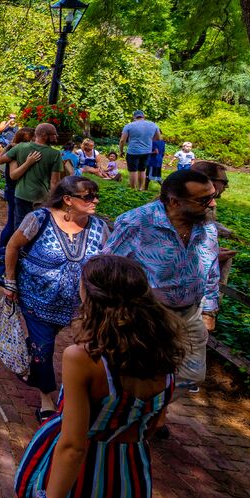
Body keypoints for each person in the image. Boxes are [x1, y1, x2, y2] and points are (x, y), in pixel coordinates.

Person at [13, 255, 184, 498]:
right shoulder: (163, 354)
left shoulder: (84, 358)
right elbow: (156, 423)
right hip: (128, 467)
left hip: (69, 461)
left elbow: (73, 445)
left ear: (92, 296)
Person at [102, 169, 219, 403]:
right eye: (204, 200)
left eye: (213, 196)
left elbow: (211, 268)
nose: (213, 204)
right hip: (148, 314)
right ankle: (134, 411)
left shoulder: (206, 226)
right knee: (139, 375)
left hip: (190, 313)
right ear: (174, 202)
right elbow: (106, 266)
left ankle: (151, 408)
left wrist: (209, 309)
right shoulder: (137, 222)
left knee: (192, 374)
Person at [4, 176, 109, 422]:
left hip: (80, 305)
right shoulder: (39, 219)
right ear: (68, 200)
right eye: (88, 197)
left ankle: (83, 394)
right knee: (43, 347)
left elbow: (107, 261)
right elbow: (13, 246)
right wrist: (10, 281)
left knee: (89, 347)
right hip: (36, 298)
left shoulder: (99, 228)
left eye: (96, 196)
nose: (95, 201)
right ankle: (46, 399)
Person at [0, 123, 64, 223]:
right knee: (37, 226)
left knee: (19, 226)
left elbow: (0, 160)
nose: (57, 136)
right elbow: (54, 182)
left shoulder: (20, 147)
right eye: (54, 134)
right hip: (40, 198)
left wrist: (11, 148)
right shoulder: (55, 154)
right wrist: (55, 201)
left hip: (21, 195)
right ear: (44, 135)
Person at [0, 127, 35, 248]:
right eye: (33, 139)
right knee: (13, 224)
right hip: (14, 190)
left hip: (12, 189)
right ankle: (3, 249)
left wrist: (8, 147)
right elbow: (12, 173)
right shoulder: (17, 151)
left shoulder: (14, 149)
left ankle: (5, 248)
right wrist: (28, 162)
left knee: (13, 222)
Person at [119, 110, 162, 190]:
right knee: (142, 170)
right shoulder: (153, 125)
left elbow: (122, 140)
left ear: (134, 117)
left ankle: (133, 189)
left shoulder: (129, 126)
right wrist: (152, 145)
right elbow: (158, 138)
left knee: (133, 171)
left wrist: (121, 151)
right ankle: (140, 188)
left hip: (133, 152)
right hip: (147, 152)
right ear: (143, 116)